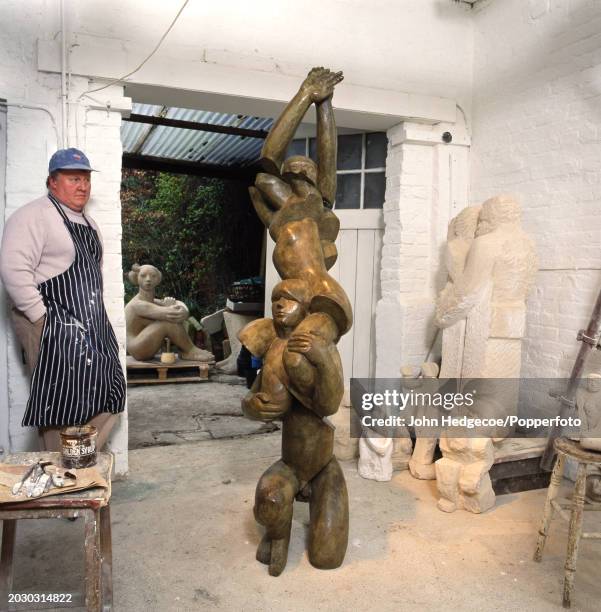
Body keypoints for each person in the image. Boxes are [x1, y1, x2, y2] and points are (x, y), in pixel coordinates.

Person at [0, 148, 126, 451]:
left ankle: (80, 460)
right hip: (51, 322)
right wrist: (41, 318)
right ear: (52, 182)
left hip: (90, 322)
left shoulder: (90, 224)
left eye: (85, 179)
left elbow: (91, 277)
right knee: (60, 400)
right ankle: (60, 475)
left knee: (110, 388)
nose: (82, 186)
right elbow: (13, 267)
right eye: (73, 178)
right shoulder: (33, 215)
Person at [124, 263, 214, 362]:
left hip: (143, 346)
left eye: (153, 276)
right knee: (167, 322)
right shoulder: (138, 304)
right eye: (143, 275)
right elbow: (172, 313)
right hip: (138, 348)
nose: (148, 279)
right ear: (136, 278)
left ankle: (187, 351)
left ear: (157, 280)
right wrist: (175, 309)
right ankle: (190, 350)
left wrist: (183, 310)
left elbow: (178, 304)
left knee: (170, 318)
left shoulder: (152, 302)